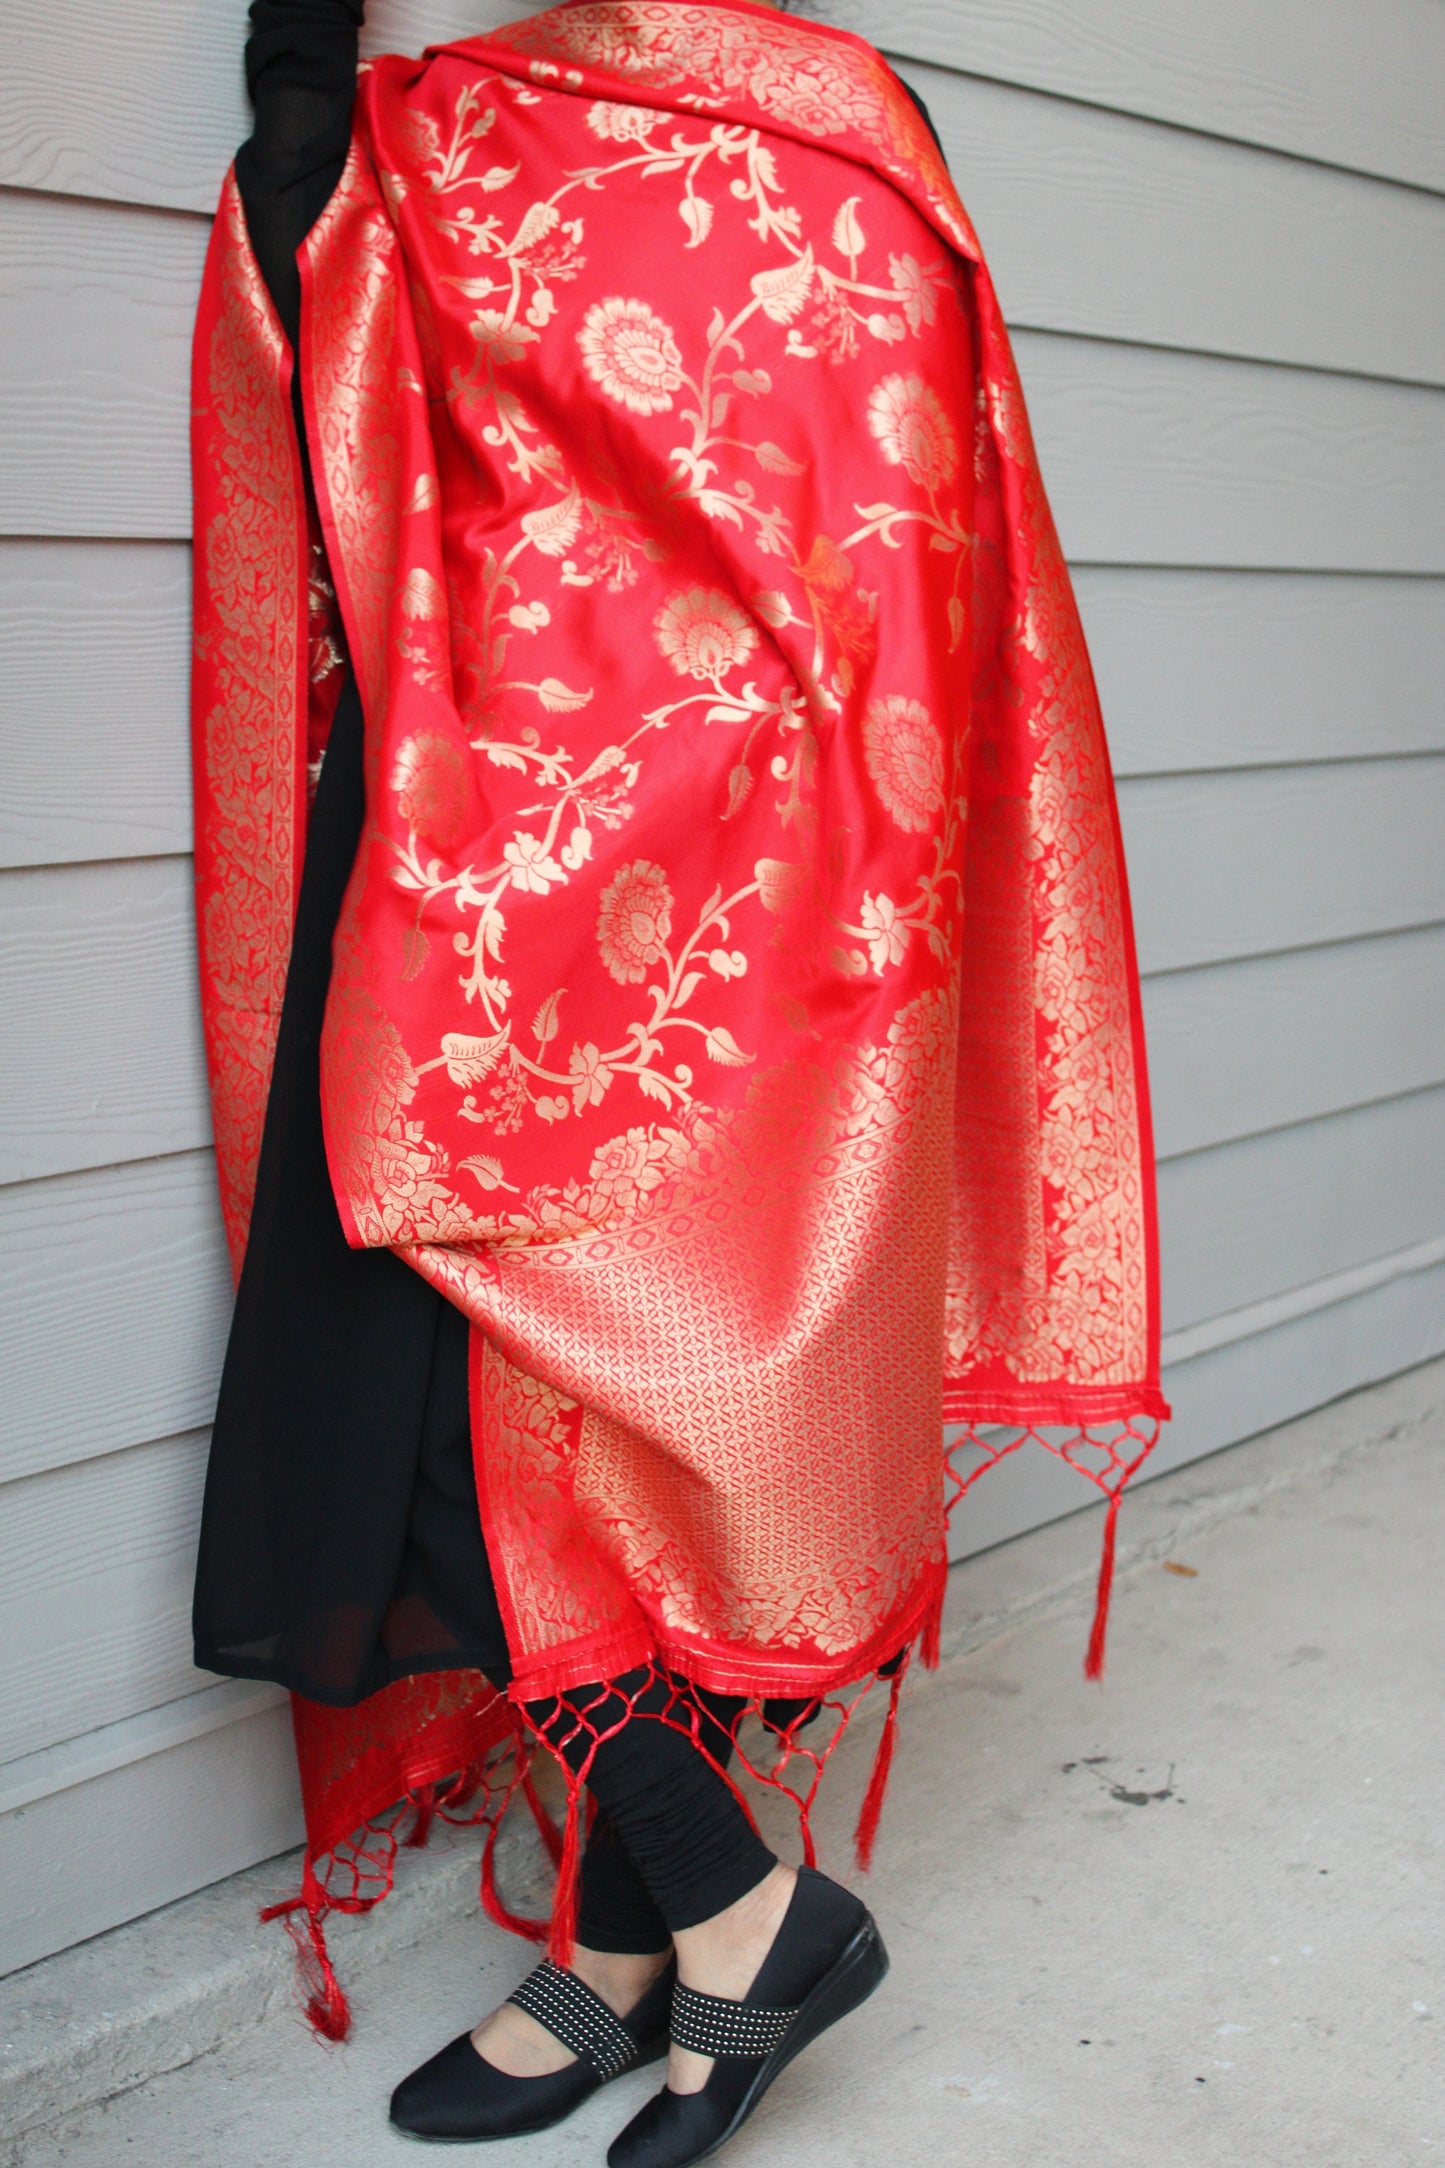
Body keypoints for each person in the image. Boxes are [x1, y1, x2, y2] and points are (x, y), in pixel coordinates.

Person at [189, 2, 1166, 2159]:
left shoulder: (791, 133)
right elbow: (339, 327)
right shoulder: (535, 129)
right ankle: (640, 1947)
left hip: (673, 908)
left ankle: (738, 1904)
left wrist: (297, 110)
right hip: (607, 886)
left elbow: (910, 553)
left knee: (535, 1422)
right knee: (530, 1428)